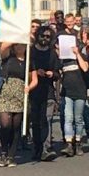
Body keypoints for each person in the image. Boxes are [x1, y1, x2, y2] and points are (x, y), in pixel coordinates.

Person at [0, 44, 38, 167]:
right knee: (5, 124)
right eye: (18, 45)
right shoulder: (8, 57)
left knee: (16, 126)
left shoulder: (29, 61)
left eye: (22, 45)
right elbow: (3, 48)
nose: (20, 47)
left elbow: (35, 79)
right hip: (5, 92)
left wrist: (29, 87)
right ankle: (3, 152)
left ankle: (11, 155)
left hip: (20, 94)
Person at [56, 28, 89, 157]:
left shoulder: (82, 56)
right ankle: (69, 144)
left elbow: (85, 68)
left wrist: (77, 54)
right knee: (68, 118)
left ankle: (78, 142)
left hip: (80, 91)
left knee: (78, 118)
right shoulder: (63, 60)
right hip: (67, 92)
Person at [29, 26, 60, 161]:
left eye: (48, 37)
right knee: (35, 121)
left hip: (48, 91)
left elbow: (58, 73)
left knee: (46, 120)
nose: (45, 39)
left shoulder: (53, 54)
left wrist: (51, 73)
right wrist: (35, 73)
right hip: (33, 91)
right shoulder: (30, 52)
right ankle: (37, 148)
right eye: (42, 36)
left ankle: (46, 148)